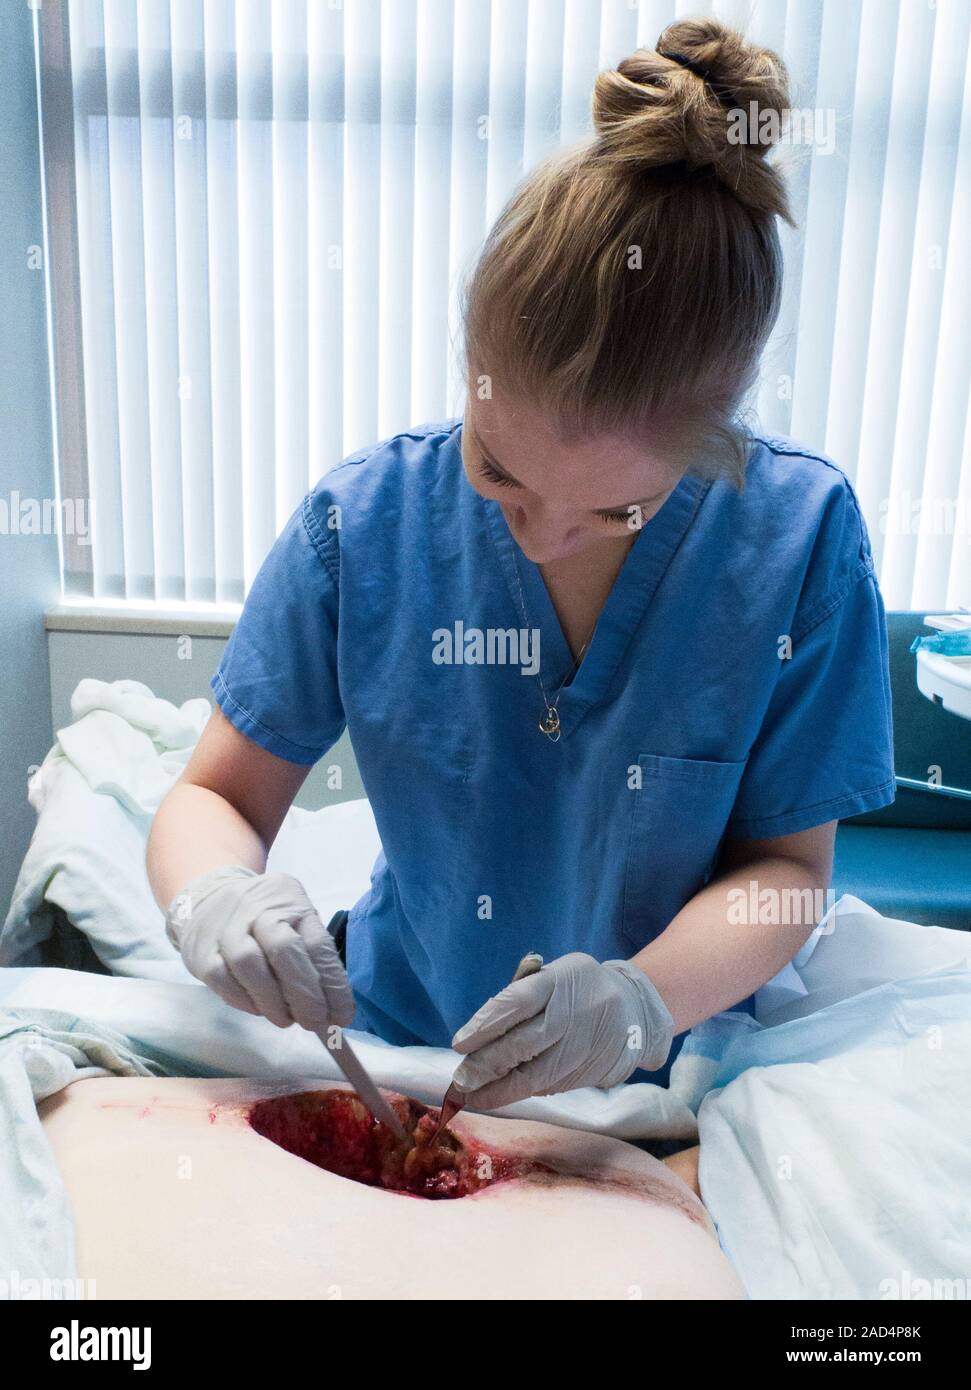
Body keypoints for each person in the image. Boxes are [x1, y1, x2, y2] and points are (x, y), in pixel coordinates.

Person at [146, 17, 895, 1109]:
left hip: (674, 1075)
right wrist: (216, 893)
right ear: (471, 362)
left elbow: (786, 877)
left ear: (720, 437)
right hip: (402, 1041)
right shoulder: (362, 527)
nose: (538, 536)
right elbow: (214, 794)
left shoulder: (797, 541)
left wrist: (639, 996)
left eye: (617, 510)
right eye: (498, 472)